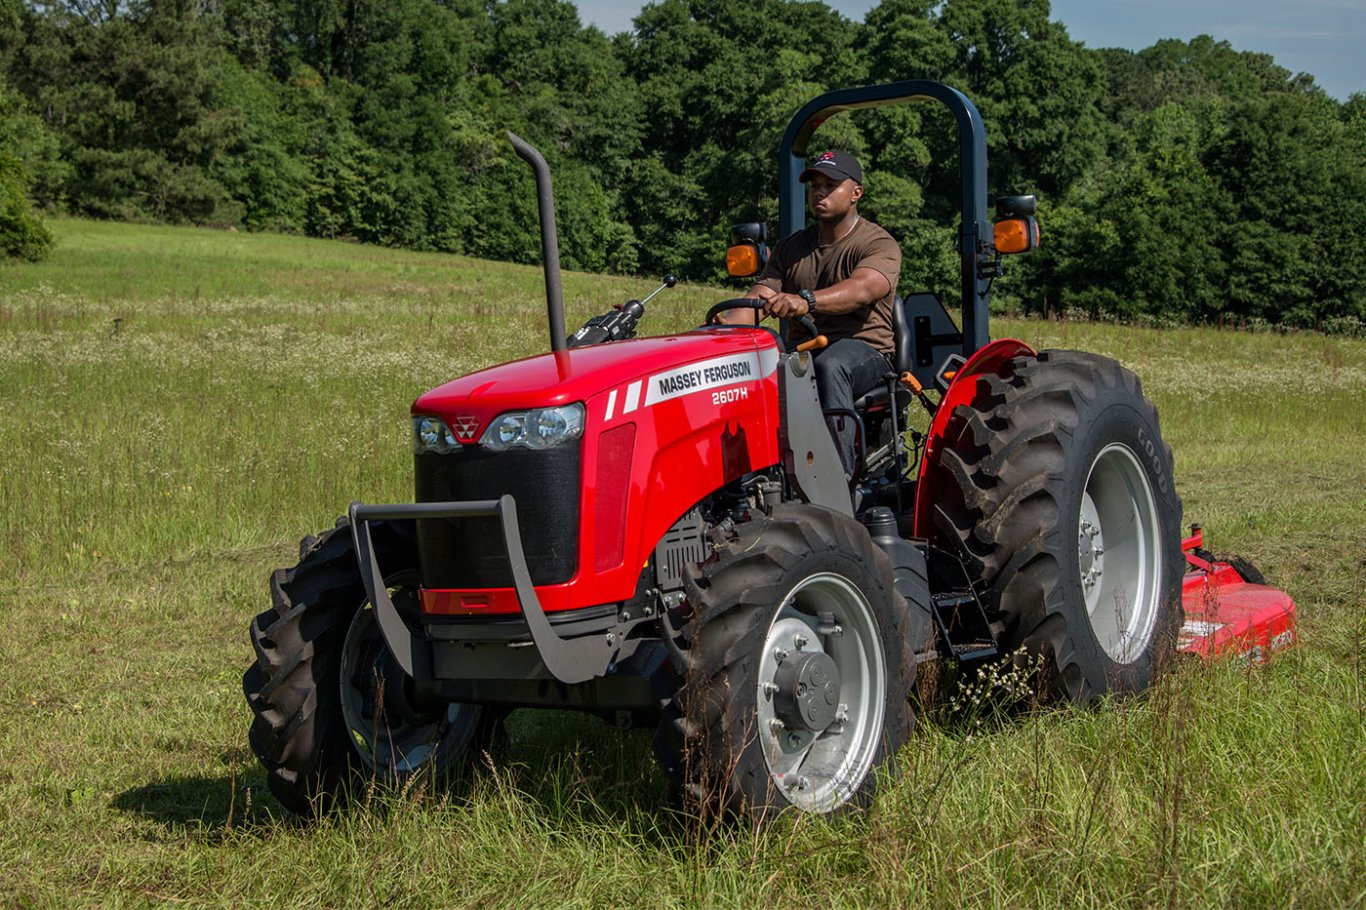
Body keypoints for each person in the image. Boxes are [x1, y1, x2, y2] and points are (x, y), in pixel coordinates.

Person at [722, 149, 902, 478]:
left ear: (855, 193)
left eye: (830, 184)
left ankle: (838, 482)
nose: (819, 191)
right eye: (814, 185)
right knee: (744, 367)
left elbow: (862, 289)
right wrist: (717, 329)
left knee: (830, 364)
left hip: (865, 351)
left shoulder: (878, 243)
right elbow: (759, 299)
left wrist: (805, 301)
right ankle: (748, 480)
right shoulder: (792, 248)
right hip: (804, 351)